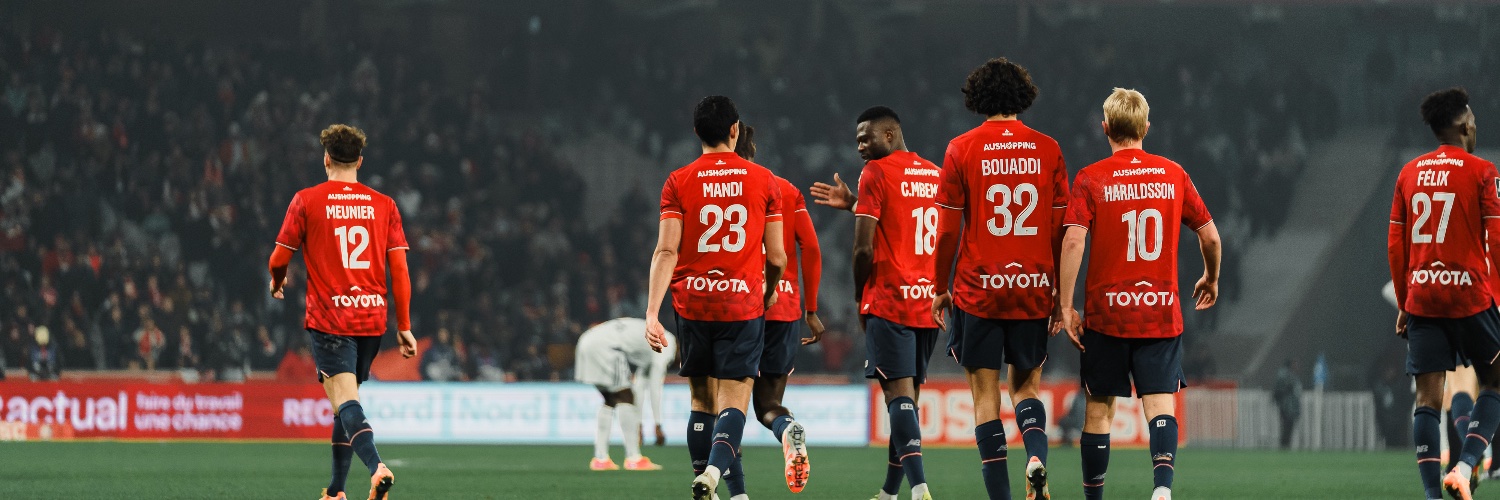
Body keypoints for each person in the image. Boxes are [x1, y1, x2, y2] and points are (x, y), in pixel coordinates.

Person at [1057, 88, 1222, 500]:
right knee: (1160, 404)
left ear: (1105, 128)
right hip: (1159, 313)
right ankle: (1162, 489)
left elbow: (1074, 240)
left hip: (1107, 315)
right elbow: (1210, 237)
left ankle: (1094, 497)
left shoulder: (1091, 177)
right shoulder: (1173, 174)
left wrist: (1065, 305)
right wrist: (1211, 277)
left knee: (1099, 410)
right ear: (1146, 127)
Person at [929, 57, 1067, 500]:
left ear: (978, 97)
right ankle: (1035, 457)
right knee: (1026, 388)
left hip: (979, 289)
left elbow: (946, 231)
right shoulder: (1048, 149)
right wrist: (1059, 293)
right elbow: (1060, 230)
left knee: (985, 398)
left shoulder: (961, 148)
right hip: (1033, 288)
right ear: (1023, 97)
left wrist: (939, 286)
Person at [643, 95, 787, 500]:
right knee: (734, 402)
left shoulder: (678, 181)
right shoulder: (764, 180)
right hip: (741, 304)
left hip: (693, 304)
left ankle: (727, 490)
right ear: (735, 130)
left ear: (696, 132)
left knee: (701, 401)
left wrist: (652, 313)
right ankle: (713, 472)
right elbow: (777, 257)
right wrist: (769, 292)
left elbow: (666, 251)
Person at [268, 124, 419, 500]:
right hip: (372, 320)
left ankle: (377, 467)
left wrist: (277, 281)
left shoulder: (307, 200)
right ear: (360, 162)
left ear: (326, 159)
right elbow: (400, 270)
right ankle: (336, 489)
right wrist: (404, 326)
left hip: (331, 319)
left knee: (344, 400)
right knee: (344, 400)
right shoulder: (384, 205)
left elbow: (279, 258)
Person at [809, 106, 939, 500]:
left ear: (890, 134)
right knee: (908, 400)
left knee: (898, 398)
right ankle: (889, 493)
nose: (860, 147)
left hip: (890, 299)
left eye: (866, 138)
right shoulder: (935, 174)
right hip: (927, 303)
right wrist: (854, 203)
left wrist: (858, 295)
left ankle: (920, 489)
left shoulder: (876, 173)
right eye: (857, 141)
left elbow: (863, 249)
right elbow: (905, 221)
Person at [1387, 87, 1500, 500]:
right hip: (1469, 297)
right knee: (1495, 381)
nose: (1475, 123)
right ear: (1462, 123)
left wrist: (1405, 303)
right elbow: (1497, 239)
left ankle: (1433, 496)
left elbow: (1395, 246)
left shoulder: (1408, 173)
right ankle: (1466, 467)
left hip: (1422, 299)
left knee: (1428, 400)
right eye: (1472, 117)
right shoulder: (1483, 171)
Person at [734, 123, 823, 494]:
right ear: (753, 148)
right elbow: (811, 248)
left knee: (727, 406)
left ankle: (736, 491)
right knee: (769, 404)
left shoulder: (717, 187)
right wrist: (811, 309)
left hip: (737, 305)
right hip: (784, 307)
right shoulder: (785, 188)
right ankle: (788, 429)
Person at [574, 317, 670, 472]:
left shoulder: (649, 331)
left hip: (586, 341)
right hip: (607, 347)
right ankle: (633, 458)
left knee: (610, 399)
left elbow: (641, 381)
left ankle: (600, 459)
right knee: (626, 396)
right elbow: (654, 386)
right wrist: (657, 424)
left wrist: (639, 424)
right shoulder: (667, 344)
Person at [1272, 359, 1303, 449]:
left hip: (1286, 406)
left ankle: (1285, 445)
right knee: (1287, 427)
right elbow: (1282, 391)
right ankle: (1285, 445)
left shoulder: (1285, 375)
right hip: (1288, 407)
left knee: (1287, 427)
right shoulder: (1287, 376)